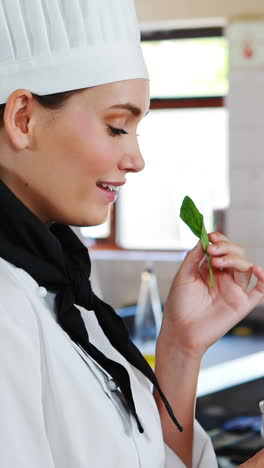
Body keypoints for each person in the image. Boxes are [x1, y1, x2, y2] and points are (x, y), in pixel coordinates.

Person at [0, 1, 264, 467]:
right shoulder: (7, 304)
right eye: (117, 126)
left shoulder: (65, 285)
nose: (136, 159)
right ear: (24, 119)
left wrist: (180, 346)